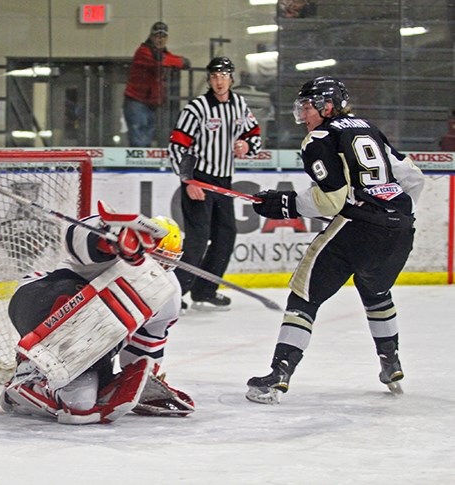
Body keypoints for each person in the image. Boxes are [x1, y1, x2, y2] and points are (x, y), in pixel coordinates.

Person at [245, 76, 425, 404]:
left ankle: (279, 374)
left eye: (308, 107)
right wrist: (391, 211)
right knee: (376, 291)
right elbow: (413, 178)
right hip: (400, 230)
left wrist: (284, 204)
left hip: (359, 228)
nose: (304, 115)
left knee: (304, 295)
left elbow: (331, 201)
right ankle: (391, 362)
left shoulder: (320, 136)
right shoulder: (368, 127)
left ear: (327, 107)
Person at [0, 207, 195, 424]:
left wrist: (140, 381)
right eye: (155, 257)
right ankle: (31, 367)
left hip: (86, 348)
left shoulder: (168, 293)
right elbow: (76, 234)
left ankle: (33, 389)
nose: (159, 266)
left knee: (80, 405)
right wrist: (111, 239)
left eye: (167, 261)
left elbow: (145, 347)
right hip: (42, 302)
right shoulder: (114, 254)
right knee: (83, 298)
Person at [168, 56, 262, 311]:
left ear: (231, 79)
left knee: (226, 236)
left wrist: (246, 145)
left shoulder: (239, 105)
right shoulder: (196, 108)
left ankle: (204, 289)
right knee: (198, 239)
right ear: (209, 80)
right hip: (199, 179)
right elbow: (177, 146)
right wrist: (188, 180)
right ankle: (175, 292)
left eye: (223, 76)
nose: (219, 81)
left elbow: (254, 135)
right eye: (214, 76)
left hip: (224, 182)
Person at [123, 21, 190, 147]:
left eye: (163, 36)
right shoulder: (143, 52)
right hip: (137, 101)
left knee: (146, 139)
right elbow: (161, 61)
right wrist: (181, 61)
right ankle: (137, 167)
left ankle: (143, 166)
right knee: (139, 140)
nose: (160, 39)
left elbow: (168, 59)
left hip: (150, 104)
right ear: (151, 36)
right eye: (157, 36)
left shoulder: (161, 53)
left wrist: (179, 61)